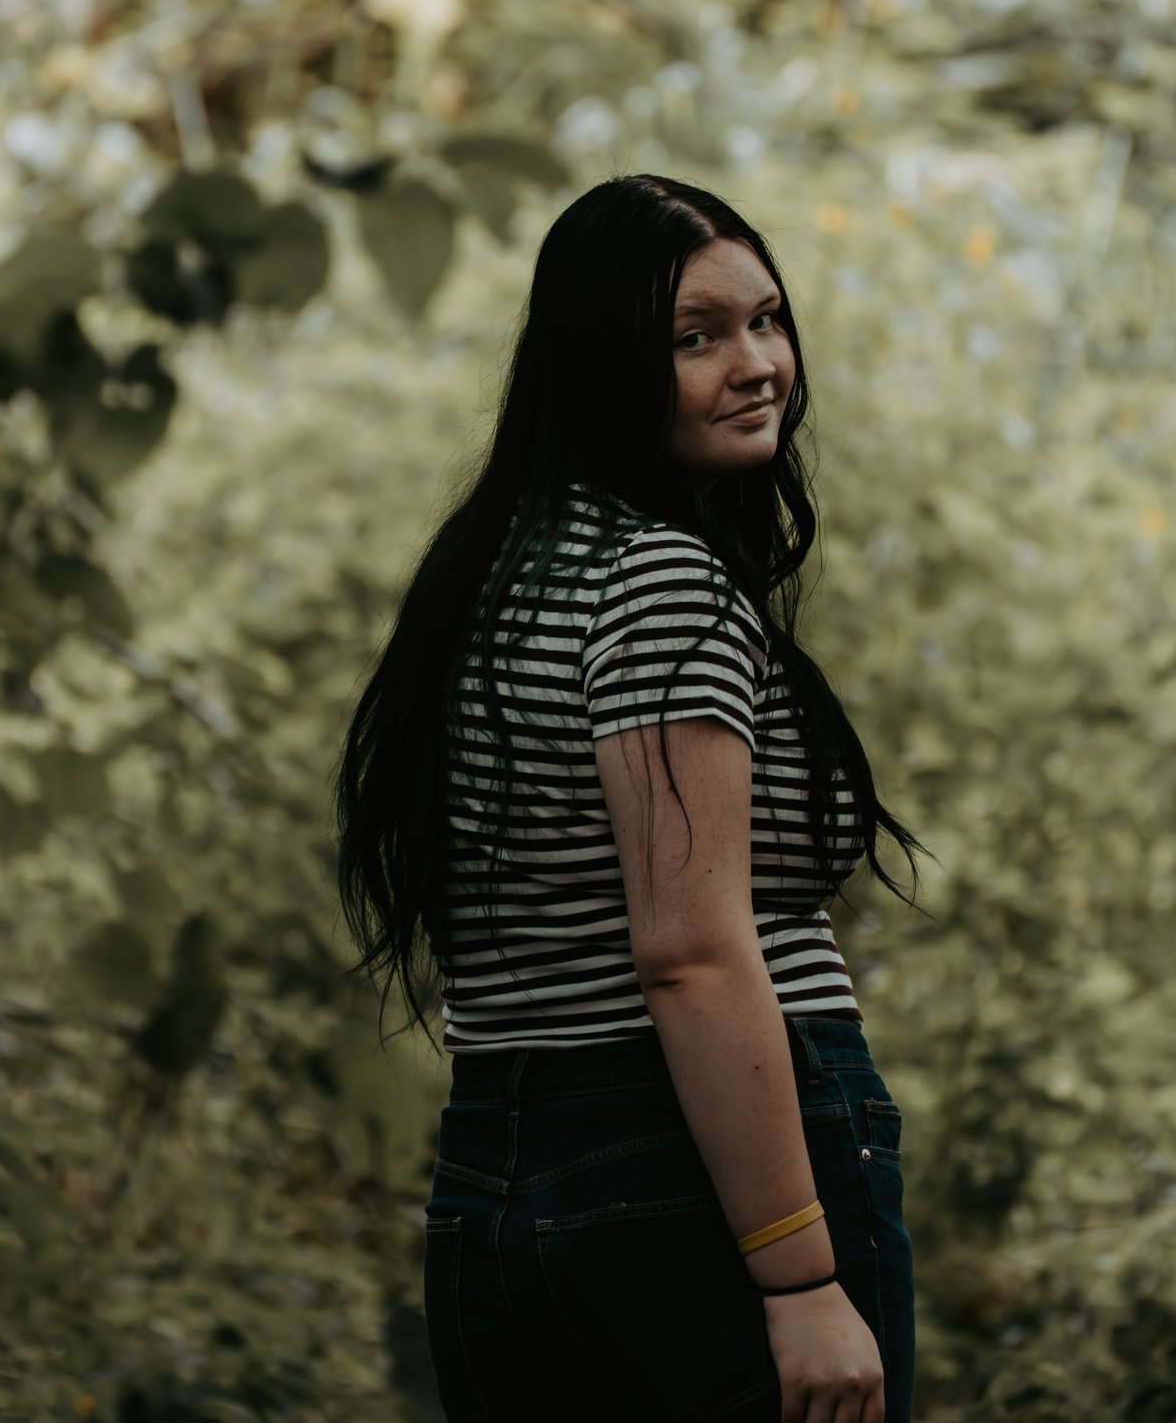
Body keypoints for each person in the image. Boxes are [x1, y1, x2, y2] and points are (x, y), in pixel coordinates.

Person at [332, 172, 934, 1423]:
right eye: (694, 337)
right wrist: (802, 1277)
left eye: (766, 319)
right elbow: (690, 953)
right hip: (693, 1175)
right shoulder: (662, 587)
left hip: (505, 1168)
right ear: (602, 366)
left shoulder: (495, 578)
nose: (757, 362)